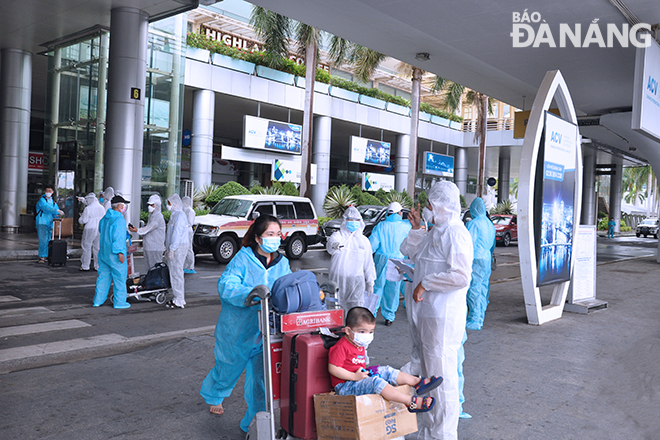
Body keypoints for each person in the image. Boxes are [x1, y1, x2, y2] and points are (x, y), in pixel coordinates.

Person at [200, 214, 291, 432]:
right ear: (259, 238)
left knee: (262, 379)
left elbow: (287, 287)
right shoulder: (243, 258)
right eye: (270, 234)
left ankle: (253, 420)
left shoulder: (282, 262)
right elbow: (227, 285)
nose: (275, 238)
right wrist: (252, 294)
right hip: (238, 328)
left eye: (278, 234)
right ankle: (215, 395)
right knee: (227, 369)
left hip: (267, 330)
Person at [400, 181, 473, 440]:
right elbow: (411, 251)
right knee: (428, 378)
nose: (428, 209)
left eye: (430, 205)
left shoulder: (456, 232)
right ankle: (428, 432)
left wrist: (425, 283)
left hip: (441, 316)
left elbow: (461, 275)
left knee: (441, 379)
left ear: (443, 206)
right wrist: (417, 226)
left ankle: (442, 435)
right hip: (427, 314)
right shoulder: (436, 231)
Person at [328, 306, 441, 413]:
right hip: (346, 386)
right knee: (376, 382)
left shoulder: (358, 344)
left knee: (386, 370)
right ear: (348, 331)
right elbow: (333, 368)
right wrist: (354, 377)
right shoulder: (341, 347)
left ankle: (417, 382)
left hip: (358, 378)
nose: (367, 335)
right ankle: (410, 402)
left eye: (371, 331)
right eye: (362, 332)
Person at [369, 201, 412, 325]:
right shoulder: (406, 227)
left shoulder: (381, 226)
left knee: (377, 287)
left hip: (381, 260)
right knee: (393, 289)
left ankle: (371, 313)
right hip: (398, 261)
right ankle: (389, 316)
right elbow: (411, 246)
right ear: (400, 213)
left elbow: (372, 245)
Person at [327, 206, 376, 311]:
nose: (353, 222)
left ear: (360, 221)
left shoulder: (363, 241)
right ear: (345, 221)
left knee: (355, 310)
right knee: (337, 307)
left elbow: (369, 262)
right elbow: (331, 244)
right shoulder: (338, 236)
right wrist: (335, 245)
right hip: (338, 278)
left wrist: (370, 281)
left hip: (356, 281)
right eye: (350, 219)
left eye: (356, 220)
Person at [92, 195, 131, 309]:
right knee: (119, 278)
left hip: (104, 252)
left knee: (103, 277)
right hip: (115, 254)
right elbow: (118, 237)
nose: (125, 207)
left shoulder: (105, 218)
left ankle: (97, 300)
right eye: (123, 205)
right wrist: (120, 252)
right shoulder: (119, 219)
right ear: (119, 206)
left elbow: (101, 231)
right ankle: (119, 302)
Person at [465, 197, 496, 330]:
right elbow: (493, 245)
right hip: (487, 257)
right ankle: (480, 315)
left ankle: (474, 318)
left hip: (476, 258)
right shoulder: (490, 224)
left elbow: (467, 243)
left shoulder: (474, 224)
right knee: (483, 287)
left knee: (474, 288)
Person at [164, 194, 189, 309]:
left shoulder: (180, 216)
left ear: (175, 203)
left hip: (178, 247)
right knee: (174, 272)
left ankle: (179, 299)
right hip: (174, 247)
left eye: (169, 203)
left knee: (177, 273)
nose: (168, 205)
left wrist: (172, 248)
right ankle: (177, 296)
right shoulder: (174, 215)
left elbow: (177, 234)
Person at [129, 194, 165, 271]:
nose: (149, 207)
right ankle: (151, 281)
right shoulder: (151, 215)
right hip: (149, 246)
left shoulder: (158, 216)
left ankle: (156, 282)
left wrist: (137, 230)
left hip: (155, 247)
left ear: (157, 205)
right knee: (149, 268)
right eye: (149, 205)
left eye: (152, 205)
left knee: (155, 268)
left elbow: (149, 228)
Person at [35, 185, 64, 263]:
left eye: (49, 191)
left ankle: (47, 255)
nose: (48, 192)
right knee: (43, 240)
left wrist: (58, 215)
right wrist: (57, 211)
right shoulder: (42, 200)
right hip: (42, 222)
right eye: (47, 191)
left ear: (52, 192)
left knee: (48, 240)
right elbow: (46, 208)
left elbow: (55, 212)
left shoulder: (53, 202)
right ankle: (42, 256)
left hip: (50, 223)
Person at [78, 193, 105, 271]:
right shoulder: (101, 207)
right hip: (99, 228)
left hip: (90, 228)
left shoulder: (88, 208)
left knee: (87, 246)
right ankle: (97, 266)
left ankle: (85, 266)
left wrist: (80, 218)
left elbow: (84, 220)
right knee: (97, 247)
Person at [182, 196, 196, 274]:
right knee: (184, 248)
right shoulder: (184, 210)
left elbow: (190, 222)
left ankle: (190, 266)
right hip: (184, 230)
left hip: (188, 231)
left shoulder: (190, 211)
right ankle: (185, 265)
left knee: (189, 248)